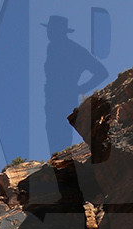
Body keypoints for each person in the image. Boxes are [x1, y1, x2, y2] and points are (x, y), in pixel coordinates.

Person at [42, 15, 109, 153]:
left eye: (52, 30)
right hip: (52, 100)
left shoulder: (74, 50)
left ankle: (62, 161)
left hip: (64, 99)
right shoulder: (52, 48)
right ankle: (57, 161)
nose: (49, 33)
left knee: (61, 133)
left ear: (59, 31)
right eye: (49, 30)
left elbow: (101, 72)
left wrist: (80, 89)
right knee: (53, 132)